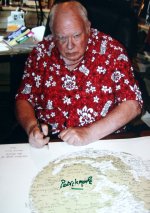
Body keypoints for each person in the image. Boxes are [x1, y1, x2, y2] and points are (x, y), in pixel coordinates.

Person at [15, 0, 143, 148]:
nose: (70, 46)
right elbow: (24, 98)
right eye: (62, 38)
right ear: (52, 33)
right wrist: (31, 127)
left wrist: (89, 133)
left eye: (76, 35)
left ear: (88, 28)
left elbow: (133, 104)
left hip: (103, 141)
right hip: (52, 143)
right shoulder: (41, 53)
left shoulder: (112, 52)